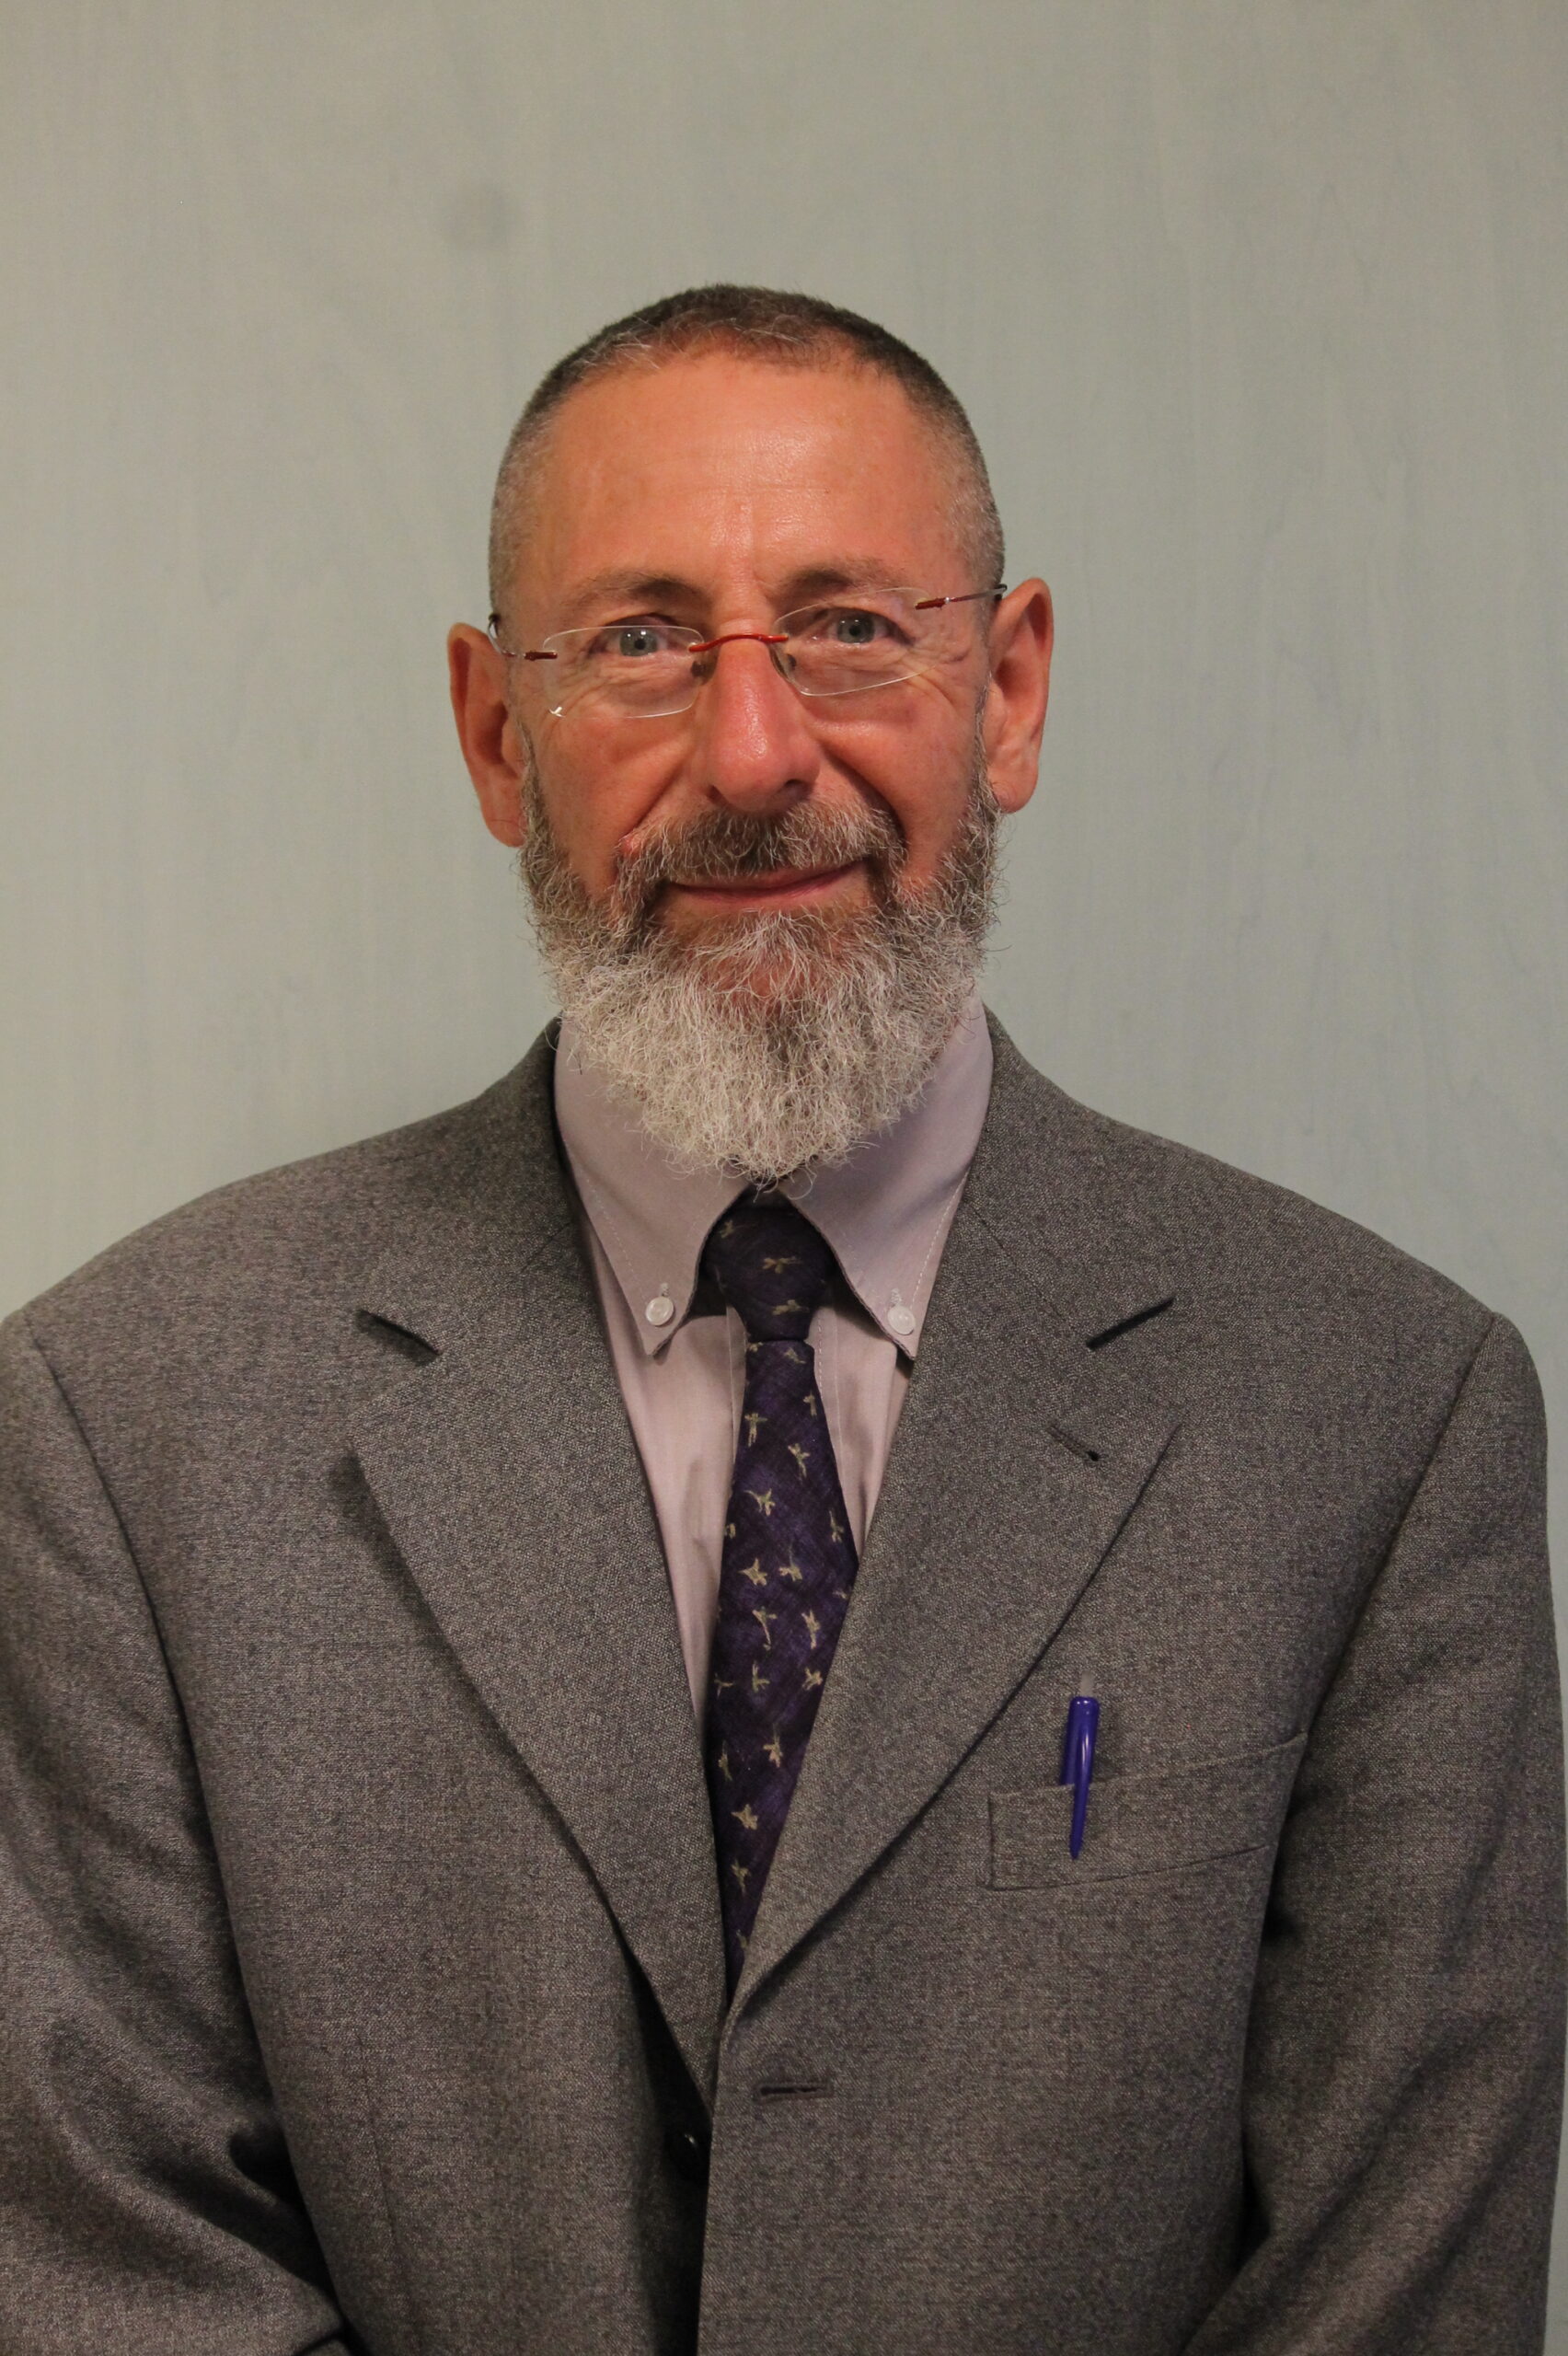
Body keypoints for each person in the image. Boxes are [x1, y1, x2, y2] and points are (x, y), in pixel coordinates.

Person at [0, 284, 1561, 2356]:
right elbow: (115, 2270)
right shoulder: (123, 1417)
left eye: (849, 628)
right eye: (643, 641)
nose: (753, 754)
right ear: (497, 735)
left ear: (1008, 690)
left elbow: (1400, 2291)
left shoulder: (1385, 1414)